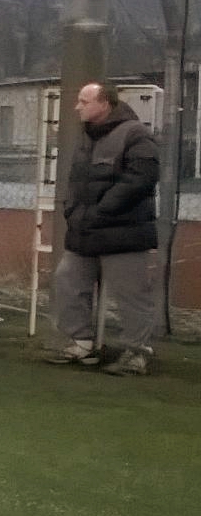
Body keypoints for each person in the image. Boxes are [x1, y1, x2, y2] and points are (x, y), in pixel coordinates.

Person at [48, 80, 159, 376]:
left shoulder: (135, 134)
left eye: (84, 102)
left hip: (123, 232)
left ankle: (137, 352)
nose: (77, 107)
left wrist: (101, 211)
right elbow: (75, 181)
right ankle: (82, 343)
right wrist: (73, 211)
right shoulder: (87, 136)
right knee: (68, 280)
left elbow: (141, 179)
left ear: (105, 103)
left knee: (131, 293)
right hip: (85, 230)